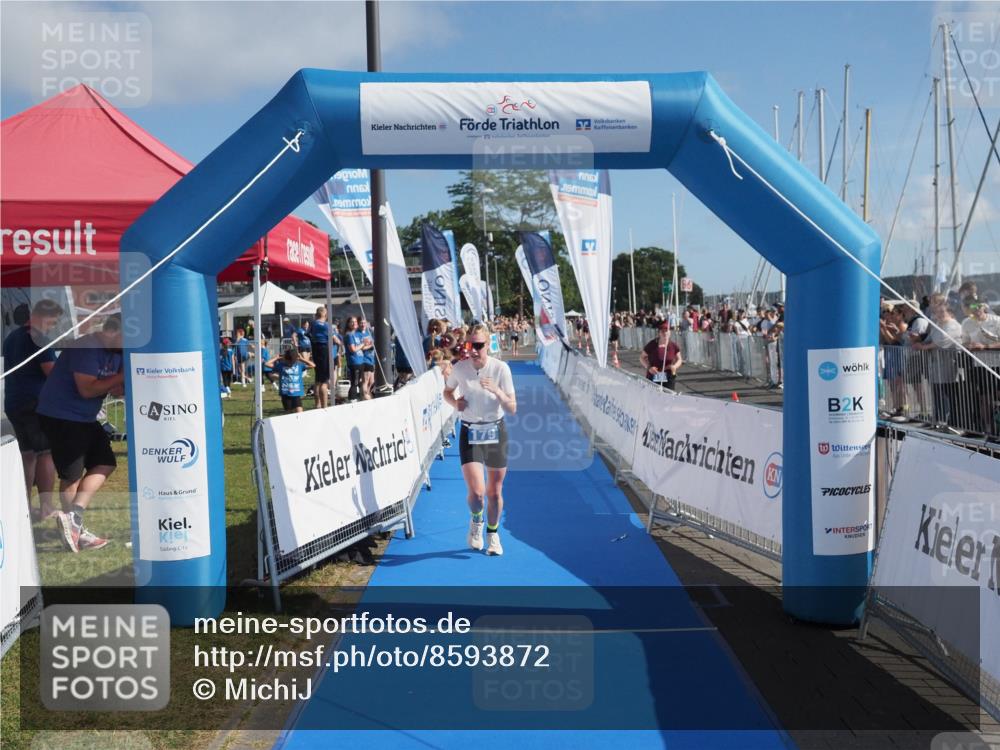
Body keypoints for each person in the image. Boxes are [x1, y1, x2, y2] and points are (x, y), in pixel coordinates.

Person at [37, 314, 124, 552]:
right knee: (72, 477)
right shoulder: (86, 347)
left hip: (85, 417)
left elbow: (116, 390)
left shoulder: (117, 352)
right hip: (61, 416)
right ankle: (74, 528)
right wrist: (120, 377)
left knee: (105, 462)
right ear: (112, 332)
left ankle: (73, 519)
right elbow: (87, 390)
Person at [443, 324, 517, 556]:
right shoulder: (460, 368)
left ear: (488, 345)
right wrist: (456, 404)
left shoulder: (501, 369)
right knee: (476, 494)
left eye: (478, 346)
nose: (473, 350)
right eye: (469, 345)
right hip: (470, 431)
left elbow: (512, 407)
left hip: (496, 431)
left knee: (494, 492)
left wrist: (498, 391)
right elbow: (447, 392)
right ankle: (476, 521)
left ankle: (493, 535)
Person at [2, 299, 64, 521]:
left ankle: (25, 506)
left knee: (28, 455)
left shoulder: (11, 338)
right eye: (53, 322)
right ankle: (47, 507)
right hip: (35, 403)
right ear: (41, 316)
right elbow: (53, 373)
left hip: (13, 402)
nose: (53, 327)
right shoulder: (39, 337)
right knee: (46, 453)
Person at [267, 347, 315, 413]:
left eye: (292, 361)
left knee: (300, 413)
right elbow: (267, 364)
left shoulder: (299, 365)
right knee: (288, 414)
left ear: (295, 360)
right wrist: (276, 358)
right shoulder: (281, 365)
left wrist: (302, 359)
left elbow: (313, 365)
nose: (290, 363)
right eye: (288, 361)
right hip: (285, 393)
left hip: (296, 393)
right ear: (284, 359)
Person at [640, 322, 683, 390]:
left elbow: (680, 359)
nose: (665, 333)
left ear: (670, 332)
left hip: (669, 375)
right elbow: (642, 357)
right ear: (659, 333)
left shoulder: (673, 346)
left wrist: (674, 366)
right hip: (655, 374)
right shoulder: (652, 344)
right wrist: (649, 368)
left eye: (666, 331)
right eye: (662, 331)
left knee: (669, 396)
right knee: (655, 396)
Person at [310, 306, 332, 408]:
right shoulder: (325, 325)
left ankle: (317, 404)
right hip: (323, 351)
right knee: (324, 381)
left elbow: (308, 334)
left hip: (316, 350)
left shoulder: (313, 323)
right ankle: (324, 406)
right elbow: (333, 337)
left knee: (318, 379)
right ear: (324, 314)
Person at [344, 316, 365, 402]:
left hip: (360, 361)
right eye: (352, 322)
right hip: (354, 361)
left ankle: (356, 398)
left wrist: (368, 344)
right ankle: (352, 400)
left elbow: (361, 347)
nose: (354, 323)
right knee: (354, 382)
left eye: (355, 321)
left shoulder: (357, 334)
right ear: (348, 324)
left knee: (359, 381)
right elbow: (353, 349)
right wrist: (363, 344)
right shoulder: (349, 335)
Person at [360, 318, 376, 399]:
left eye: (364, 323)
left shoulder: (369, 333)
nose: (363, 325)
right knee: (365, 380)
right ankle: (365, 397)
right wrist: (371, 346)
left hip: (371, 360)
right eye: (361, 323)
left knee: (372, 382)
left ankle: (368, 396)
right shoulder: (358, 334)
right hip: (364, 360)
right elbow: (360, 348)